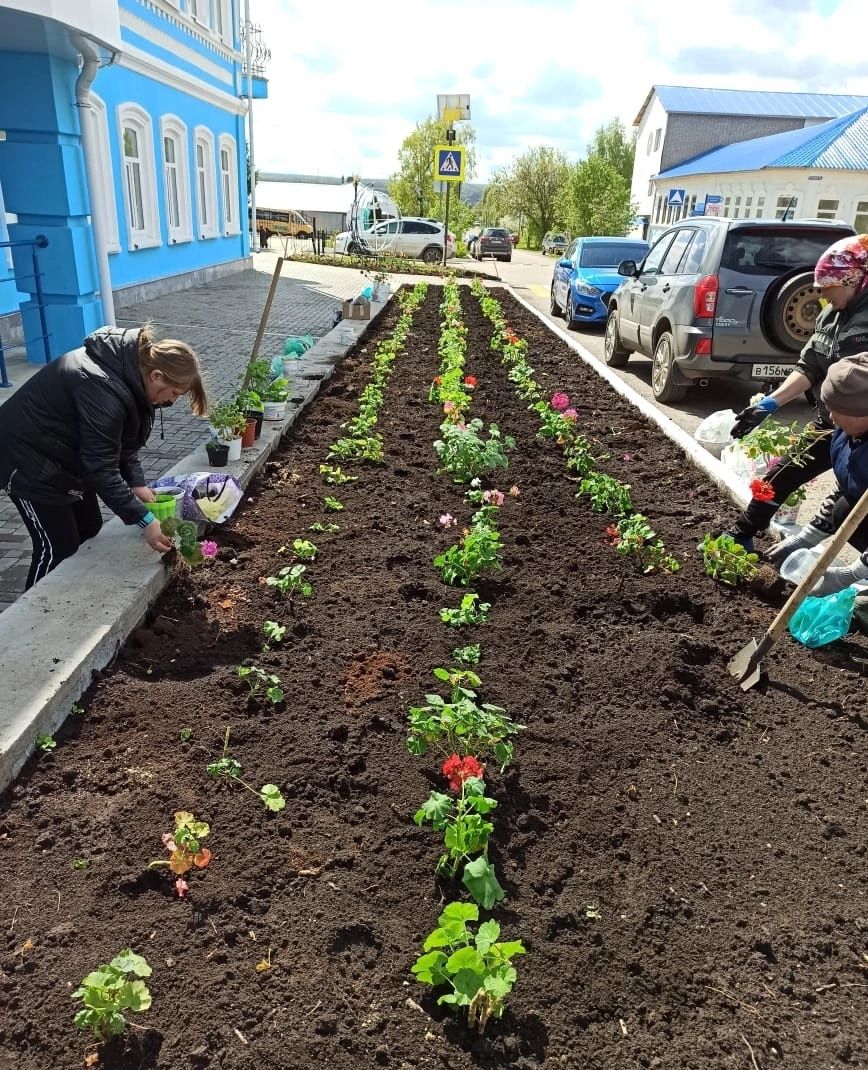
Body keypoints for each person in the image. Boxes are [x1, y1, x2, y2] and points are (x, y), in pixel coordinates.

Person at [0, 324, 208, 590]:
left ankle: (70, 591)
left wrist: (136, 482)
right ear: (157, 375)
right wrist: (144, 520)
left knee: (89, 526)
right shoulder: (102, 389)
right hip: (26, 460)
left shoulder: (129, 378)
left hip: (61, 456)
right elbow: (101, 467)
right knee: (57, 545)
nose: (171, 401)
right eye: (174, 393)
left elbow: (120, 440)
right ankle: (33, 617)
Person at [724, 233, 868, 550]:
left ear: (857, 280)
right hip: (830, 420)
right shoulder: (831, 315)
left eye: (831, 287)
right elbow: (810, 366)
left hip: (862, 427)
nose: (824, 295)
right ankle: (742, 533)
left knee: (855, 504)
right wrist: (771, 403)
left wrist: (809, 536)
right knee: (785, 472)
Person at [769, 353, 868, 594]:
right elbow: (843, 484)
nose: (831, 417)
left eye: (837, 410)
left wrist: (852, 574)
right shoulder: (845, 435)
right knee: (843, 508)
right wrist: (807, 537)